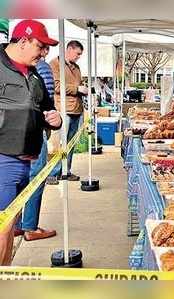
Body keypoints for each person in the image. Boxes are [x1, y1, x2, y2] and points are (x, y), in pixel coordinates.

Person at [0, 19, 61, 265]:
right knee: (3, 229)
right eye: (41, 46)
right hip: (4, 159)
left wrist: (54, 121)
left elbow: (47, 109)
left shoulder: (34, 75)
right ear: (23, 41)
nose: (45, 52)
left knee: (9, 225)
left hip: (26, 160)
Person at [14, 44, 58, 241]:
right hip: (33, 129)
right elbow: (45, 101)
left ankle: (16, 224)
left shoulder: (26, 69)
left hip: (18, 133)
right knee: (36, 176)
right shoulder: (40, 68)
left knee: (21, 178)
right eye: (41, 47)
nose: (43, 52)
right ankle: (30, 226)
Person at [47, 40, 88, 185]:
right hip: (63, 109)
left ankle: (66, 170)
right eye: (77, 54)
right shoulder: (55, 64)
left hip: (76, 109)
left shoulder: (76, 68)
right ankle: (52, 173)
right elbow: (56, 85)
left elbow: (79, 84)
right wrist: (77, 89)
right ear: (69, 49)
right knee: (59, 143)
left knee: (70, 144)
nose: (78, 57)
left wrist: (83, 89)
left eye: (80, 55)